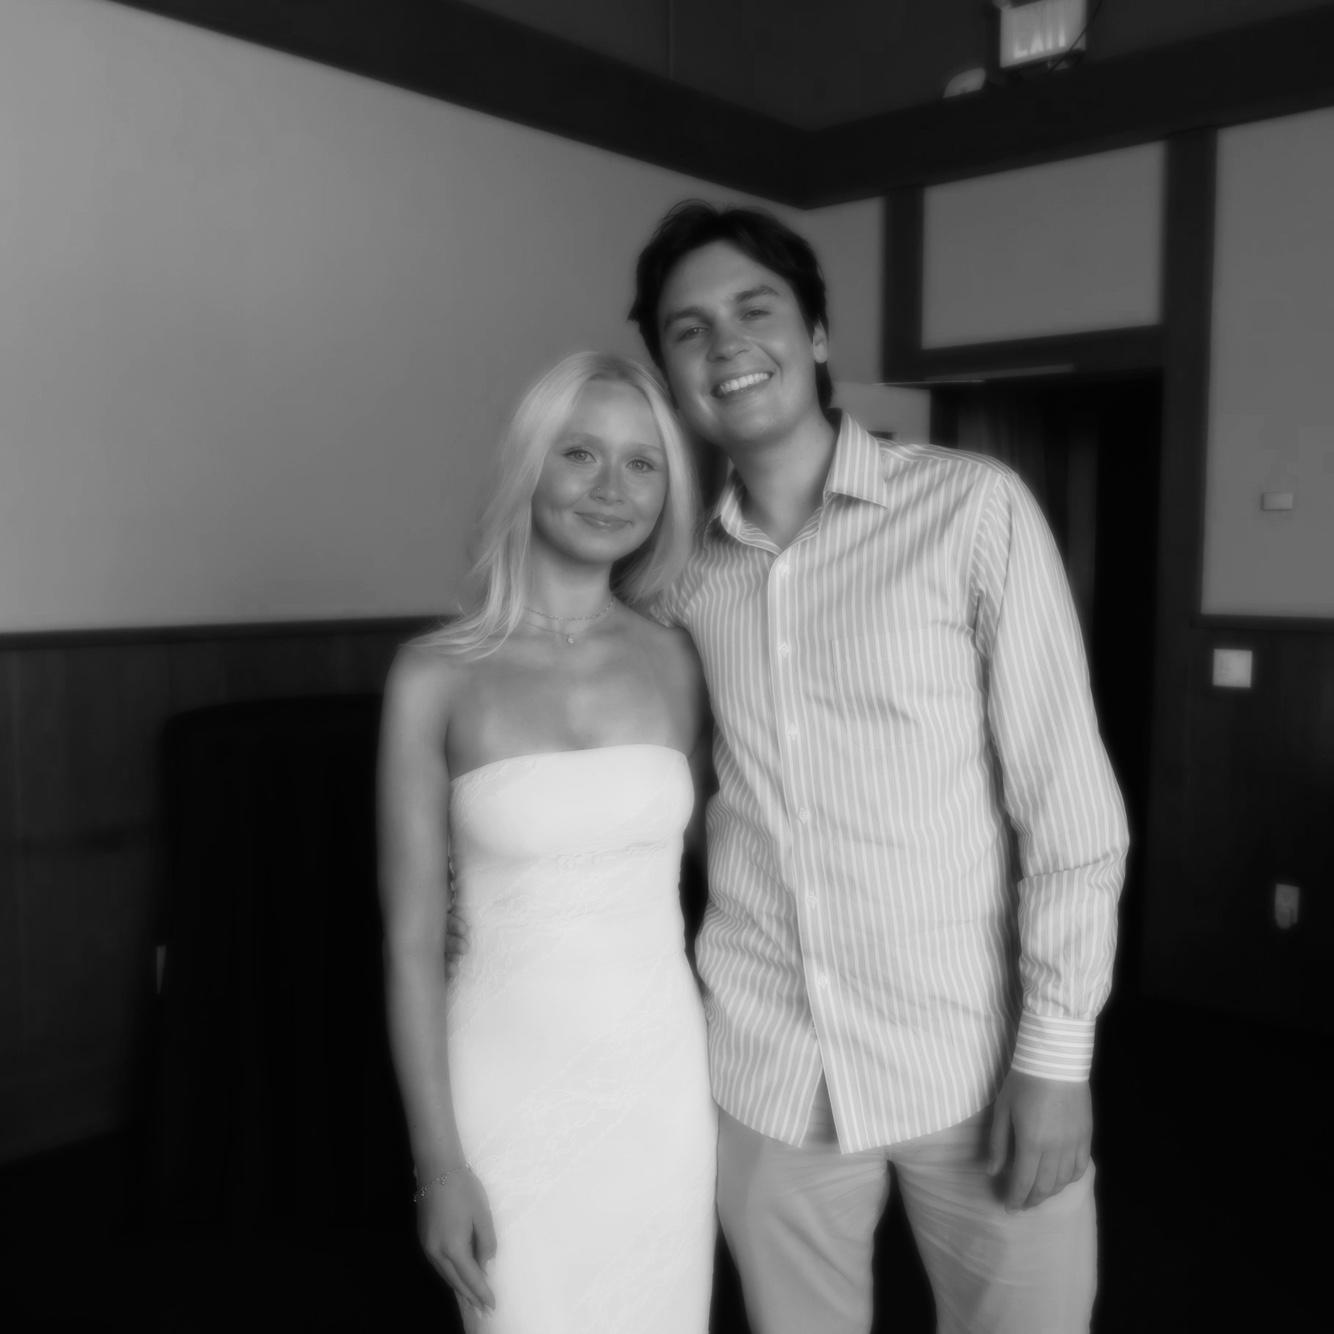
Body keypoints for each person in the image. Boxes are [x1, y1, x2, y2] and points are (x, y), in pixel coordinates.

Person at [623, 201, 1130, 1334]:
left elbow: (1069, 813)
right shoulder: (672, 574)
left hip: (971, 1054)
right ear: (668, 371)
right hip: (766, 1064)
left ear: (815, 334)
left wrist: (1057, 1058)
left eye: (754, 310)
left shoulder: (972, 509)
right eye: (688, 329)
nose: (725, 343)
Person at [377, 350, 715, 1333]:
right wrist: (438, 1166)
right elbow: (408, 942)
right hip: (502, 1083)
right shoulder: (433, 674)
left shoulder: (681, 658)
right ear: (530, 465)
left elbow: (740, 864)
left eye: (643, 463)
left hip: (661, 1084)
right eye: (580, 452)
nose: (612, 487)